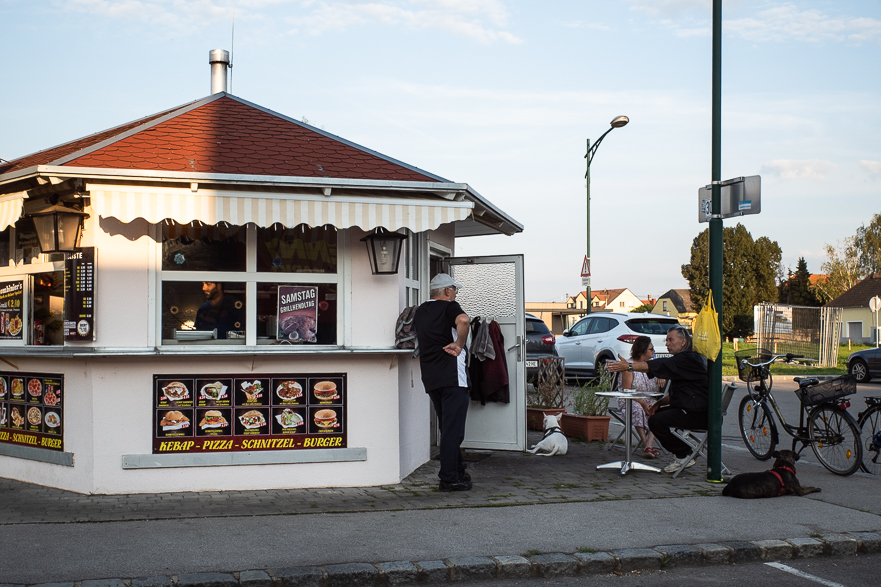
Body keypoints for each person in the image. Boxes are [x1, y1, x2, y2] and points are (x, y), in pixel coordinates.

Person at [607, 325, 708, 474]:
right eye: (666, 340)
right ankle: (684, 451)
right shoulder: (687, 359)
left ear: (683, 342)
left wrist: (629, 366)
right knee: (656, 415)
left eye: (670, 340)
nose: (667, 343)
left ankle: (684, 453)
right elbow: (677, 393)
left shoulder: (687, 359)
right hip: (693, 409)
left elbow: (659, 364)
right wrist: (658, 404)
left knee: (656, 421)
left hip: (699, 414)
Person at [414, 273, 472, 492]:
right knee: (453, 430)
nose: (455, 293)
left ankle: (458, 469)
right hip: (453, 376)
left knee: (447, 426)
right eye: (454, 290)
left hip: (431, 377)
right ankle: (448, 478)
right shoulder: (450, 307)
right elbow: (464, 320)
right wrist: (459, 342)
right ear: (447, 291)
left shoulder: (420, 311)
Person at [616, 335, 664, 459]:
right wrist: (642, 402)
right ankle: (644, 443)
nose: (654, 352)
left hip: (650, 399)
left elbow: (665, 374)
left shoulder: (652, 365)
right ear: (643, 350)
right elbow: (627, 391)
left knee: (658, 410)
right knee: (637, 408)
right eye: (651, 349)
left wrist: (661, 375)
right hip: (630, 400)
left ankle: (649, 445)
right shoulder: (628, 366)